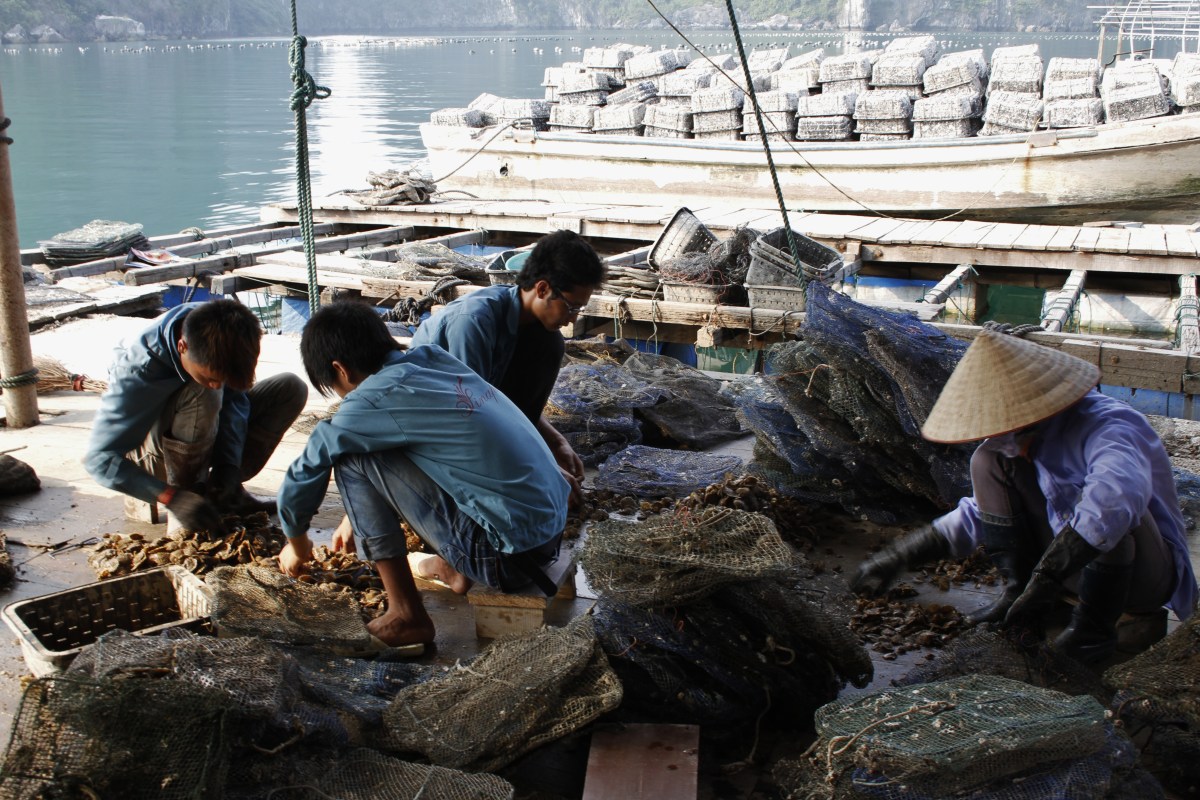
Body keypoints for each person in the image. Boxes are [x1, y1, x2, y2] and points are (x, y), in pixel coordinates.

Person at [851, 329, 1198, 663]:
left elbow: (1114, 503)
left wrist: (1047, 578)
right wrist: (900, 555)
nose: (1004, 438)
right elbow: (979, 513)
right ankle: (1018, 595)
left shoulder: (1112, 427)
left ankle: (1092, 634)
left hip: (1140, 581)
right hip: (1069, 572)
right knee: (988, 461)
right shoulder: (1018, 444)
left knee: (1110, 512)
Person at [276, 301, 570, 648]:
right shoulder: (433, 360)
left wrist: (297, 543)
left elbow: (306, 469)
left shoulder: (373, 398)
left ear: (340, 369)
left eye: (335, 387)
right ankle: (453, 566)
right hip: (548, 535)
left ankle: (406, 615)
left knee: (351, 457)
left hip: (506, 559)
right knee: (413, 448)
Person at [409, 229, 606, 502]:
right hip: (433, 422)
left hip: (475, 413)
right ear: (542, 289)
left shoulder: (541, 335)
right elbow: (474, 418)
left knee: (552, 345)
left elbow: (515, 408)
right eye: (571, 307)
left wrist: (555, 442)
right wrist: (540, 468)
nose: (573, 319)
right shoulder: (473, 322)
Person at [85, 299, 308, 534]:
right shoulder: (136, 370)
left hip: (205, 433)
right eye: (211, 377)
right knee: (204, 392)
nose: (217, 384)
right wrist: (171, 497)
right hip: (151, 457)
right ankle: (190, 499)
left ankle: (225, 491)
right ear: (182, 347)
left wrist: (228, 466)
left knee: (290, 387)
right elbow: (99, 461)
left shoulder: (221, 325)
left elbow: (234, 402)